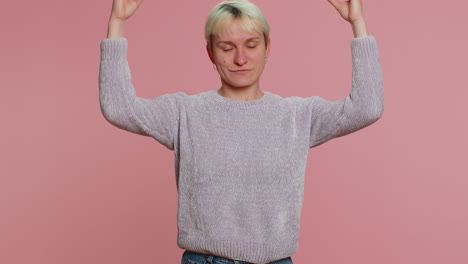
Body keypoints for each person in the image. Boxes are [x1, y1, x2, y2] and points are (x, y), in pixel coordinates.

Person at [98, 0, 384, 263]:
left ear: (267, 47)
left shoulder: (297, 116)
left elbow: (367, 107)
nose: (240, 59)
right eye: (226, 47)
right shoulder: (185, 112)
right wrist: (117, 22)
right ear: (210, 52)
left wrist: (357, 22)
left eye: (251, 44)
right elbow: (119, 107)